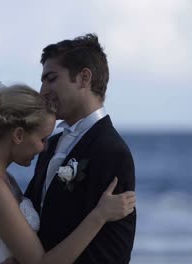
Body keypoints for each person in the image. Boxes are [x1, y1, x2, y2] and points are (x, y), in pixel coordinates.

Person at [0, 83, 136, 264]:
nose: (46, 147)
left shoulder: (0, 178)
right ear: (19, 135)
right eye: (42, 139)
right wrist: (100, 215)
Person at [24, 33, 137, 263]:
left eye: (51, 78)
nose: (43, 90)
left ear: (84, 78)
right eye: (43, 80)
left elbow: (112, 253)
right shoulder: (50, 144)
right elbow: (30, 221)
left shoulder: (112, 152)